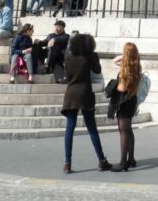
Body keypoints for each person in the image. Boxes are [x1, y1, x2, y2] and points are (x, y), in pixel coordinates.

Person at [61, 32, 111, 174]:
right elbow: (97, 70)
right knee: (92, 128)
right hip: (85, 93)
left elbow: (68, 75)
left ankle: (67, 163)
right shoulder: (89, 57)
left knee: (69, 129)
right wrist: (95, 57)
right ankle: (102, 160)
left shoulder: (68, 57)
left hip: (71, 93)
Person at [108, 41, 142, 171]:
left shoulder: (126, 70)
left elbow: (122, 88)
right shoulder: (136, 66)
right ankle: (131, 158)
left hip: (123, 101)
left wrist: (116, 84)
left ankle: (123, 162)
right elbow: (114, 61)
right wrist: (128, 56)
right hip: (131, 101)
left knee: (123, 131)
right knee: (128, 130)